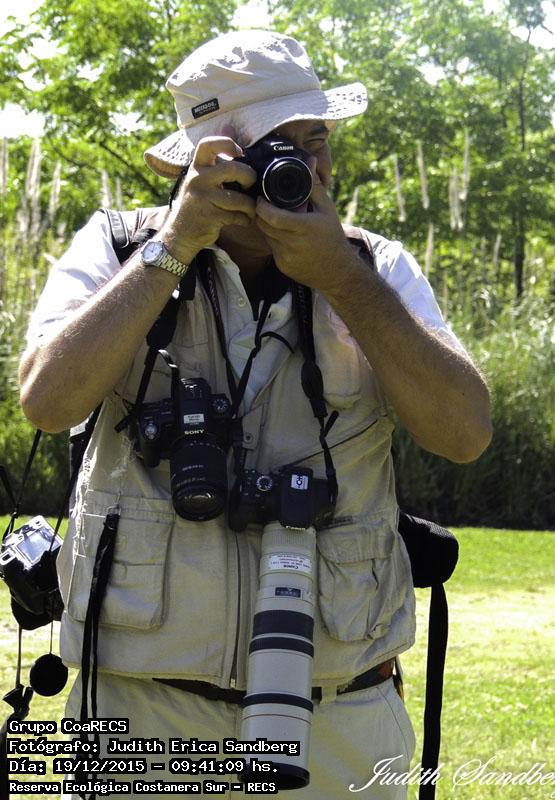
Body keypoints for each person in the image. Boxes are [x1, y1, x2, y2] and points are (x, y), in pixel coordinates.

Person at [19, 29, 491, 799]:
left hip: (340, 715)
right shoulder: (120, 248)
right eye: (277, 146)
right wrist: (173, 246)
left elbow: (464, 432)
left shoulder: (373, 266)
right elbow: (47, 402)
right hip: (143, 714)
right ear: (206, 160)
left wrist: (340, 276)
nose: (306, 168)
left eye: (316, 141)